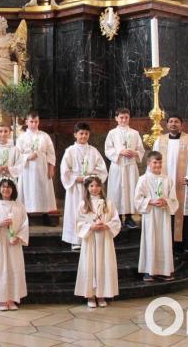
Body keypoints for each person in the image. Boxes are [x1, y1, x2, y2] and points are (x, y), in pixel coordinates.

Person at [152, 115, 188, 252]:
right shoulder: (160, 141)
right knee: (167, 213)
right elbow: (154, 161)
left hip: (183, 184)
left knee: (184, 215)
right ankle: (166, 247)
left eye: (176, 122)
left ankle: (184, 247)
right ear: (167, 125)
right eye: (171, 122)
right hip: (165, 184)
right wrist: (155, 178)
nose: (174, 124)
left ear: (181, 124)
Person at [74, 176, 120, 308]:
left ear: (101, 187)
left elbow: (116, 220)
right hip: (91, 239)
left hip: (104, 239)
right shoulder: (83, 204)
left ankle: (101, 294)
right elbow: (78, 222)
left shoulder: (108, 203)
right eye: (92, 186)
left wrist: (107, 225)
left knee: (103, 264)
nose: (95, 188)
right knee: (90, 265)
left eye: (97, 186)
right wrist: (90, 227)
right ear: (87, 188)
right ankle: (90, 295)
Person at [0, 179, 29, 311]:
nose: (6, 190)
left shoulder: (19, 207)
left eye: (9, 187)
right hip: (0, 243)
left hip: (14, 243)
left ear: (13, 190)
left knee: (14, 269)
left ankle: (12, 298)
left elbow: (25, 224)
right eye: (3, 187)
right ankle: (1, 299)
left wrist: (18, 237)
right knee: (0, 269)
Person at [61, 122, 108, 249]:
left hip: (90, 187)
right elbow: (65, 171)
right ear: (75, 134)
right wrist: (78, 178)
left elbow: (102, 170)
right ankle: (75, 240)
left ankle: (90, 238)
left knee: (89, 211)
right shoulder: (70, 151)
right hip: (76, 186)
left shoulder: (93, 151)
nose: (84, 136)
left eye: (86, 133)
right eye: (81, 133)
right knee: (76, 211)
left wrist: (92, 179)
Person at [135, 151, 179, 282]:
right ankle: (150, 271)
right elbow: (137, 199)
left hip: (163, 214)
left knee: (164, 241)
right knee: (150, 241)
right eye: (155, 162)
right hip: (151, 215)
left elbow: (174, 199)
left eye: (160, 162)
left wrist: (166, 201)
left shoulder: (167, 179)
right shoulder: (143, 179)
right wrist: (150, 201)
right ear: (149, 163)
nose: (157, 165)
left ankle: (165, 271)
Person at [104, 108, 145, 229]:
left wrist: (135, 153)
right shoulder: (112, 133)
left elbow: (141, 150)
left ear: (129, 118)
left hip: (131, 167)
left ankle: (128, 217)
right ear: (116, 118)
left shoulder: (135, 133)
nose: (124, 120)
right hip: (118, 166)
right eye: (121, 117)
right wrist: (120, 152)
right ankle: (116, 217)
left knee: (131, 190)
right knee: (117, 191)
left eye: (126, 117)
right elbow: (108, 149)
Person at [16, 112, 57, 219]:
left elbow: (51, 153)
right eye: (31, 122)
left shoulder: (44, 136)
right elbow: (16, 155)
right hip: (27, 168)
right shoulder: (22, 137)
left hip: (42, 167)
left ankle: (44, 211)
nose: (34, 124)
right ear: (26, 122)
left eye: (36, 122)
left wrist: (51, 168)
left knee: (42, 188)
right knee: (29, 188)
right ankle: (27, 212)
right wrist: (27, 157)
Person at [0, 124, 23, 208]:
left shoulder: (15, 150)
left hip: (10, 180)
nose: (3, 134)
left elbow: (20, 166)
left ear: (10, 133)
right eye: (0, 131)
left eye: (6, 131)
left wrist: (9, 169)